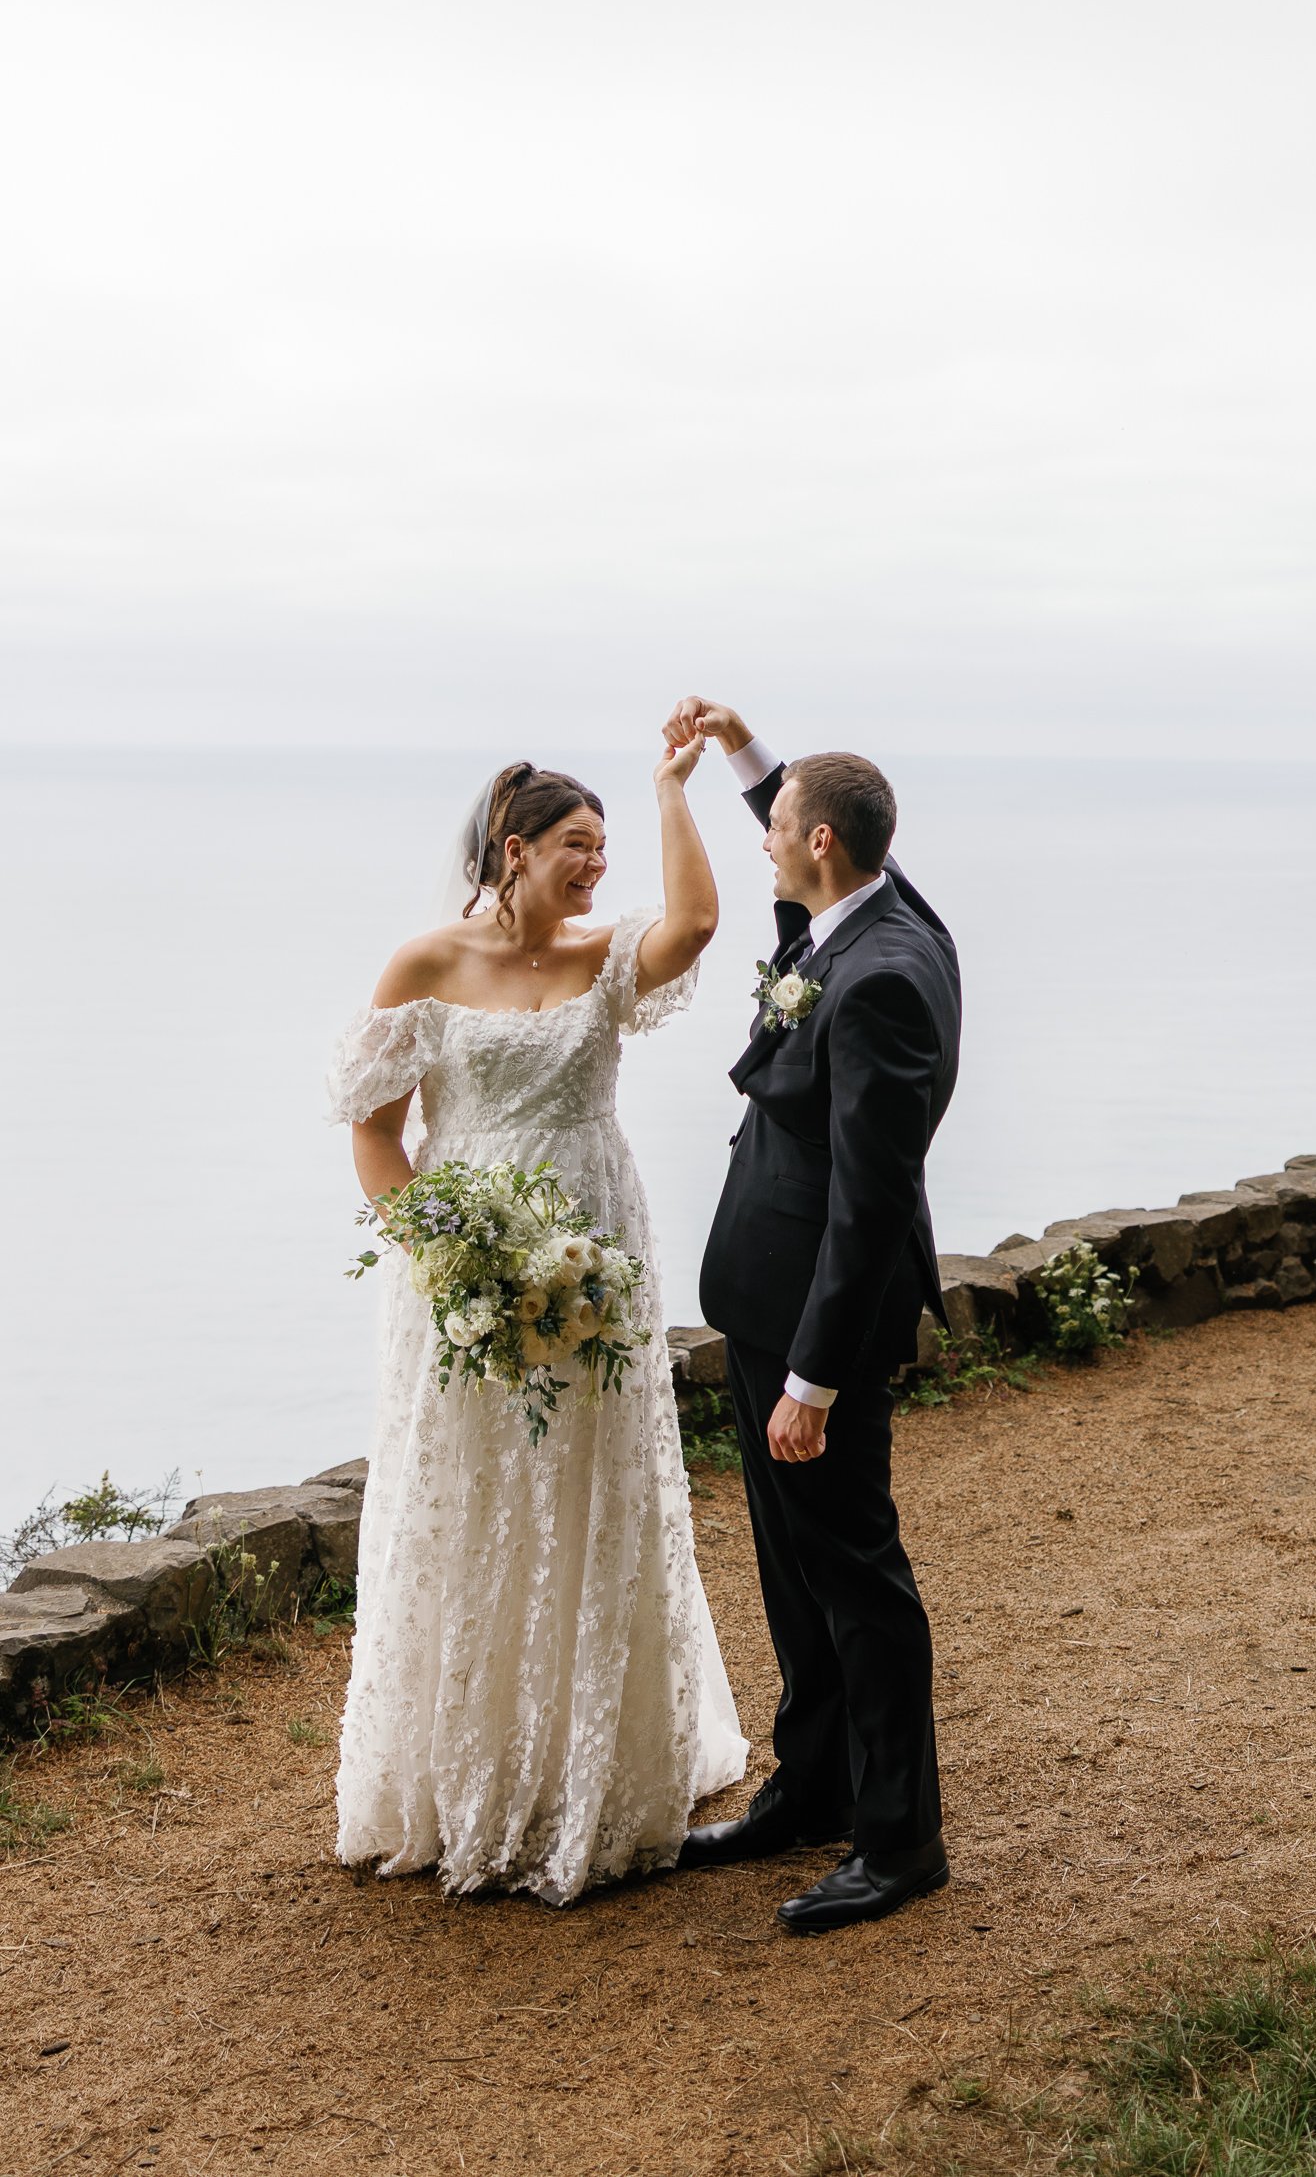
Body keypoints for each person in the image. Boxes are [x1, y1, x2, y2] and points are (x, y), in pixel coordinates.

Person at [327, 737, 748, 1904]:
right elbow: (374, 1132)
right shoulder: (425, 960)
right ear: (513, 852)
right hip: (461, 1273)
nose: (598, 869)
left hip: (595, 1250)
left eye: (609, 849)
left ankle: (592, 1765)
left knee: (587, 1489)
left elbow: (701, 924)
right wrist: (445, 1264)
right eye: (579, 846)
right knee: (471, 1497)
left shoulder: (607, 955)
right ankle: (466, 1770)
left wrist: (670, 791)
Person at [665, 696, 960, 1937]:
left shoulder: (882, 978)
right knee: (794, 1571)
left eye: (775, 823)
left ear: (821, 845)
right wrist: (746, 749)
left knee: (856, 1577)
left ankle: (899, 1844)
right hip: (764, 1310)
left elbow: (871, 1201)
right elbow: (808, 815)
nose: (765, 839)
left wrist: (816, 1382)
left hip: (812, 1333)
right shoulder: (873, 907)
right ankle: (816, 1783)